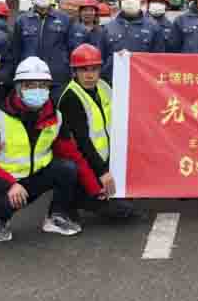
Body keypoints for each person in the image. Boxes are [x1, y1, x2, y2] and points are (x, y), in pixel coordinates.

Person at [0, 57, 105, 242]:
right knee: (4, 203)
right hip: (5, 183)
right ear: (18, 88)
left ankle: (55, 217)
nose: (37, 90)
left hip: (36, 178)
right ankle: (1, 218)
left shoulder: (55, 117)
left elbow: (73, 155)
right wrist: (9, 184)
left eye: (43, 85)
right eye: (30, 85)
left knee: (68, 168)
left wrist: (95, 189)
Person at [58, 44, 138, 220]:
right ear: (74, 72)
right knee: (121, 211)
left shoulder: (103, 87)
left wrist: (127, 61)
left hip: (107, 161)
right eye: (83, 70)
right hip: (85, 165)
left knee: (128, 201)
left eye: (94, 69)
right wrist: (103, 172)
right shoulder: (71, 98)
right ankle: (75, 199)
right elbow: (83, 142)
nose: (89, 75)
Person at [0, 0, 87, 103]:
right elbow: (14, 52)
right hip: (29, 81)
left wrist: (73, 75)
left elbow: (72, 50)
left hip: (58, 82)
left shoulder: (65, 20)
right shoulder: (22, 21)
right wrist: (6, 77)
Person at [100, 0, 165, 82]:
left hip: (143, 84)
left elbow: (159, 63)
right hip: (114, 85)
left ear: (141, 0)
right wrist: (115, 60)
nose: (130, 0)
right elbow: (101, 64)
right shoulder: (108, 28)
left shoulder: (154, 28)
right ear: (119, 0)